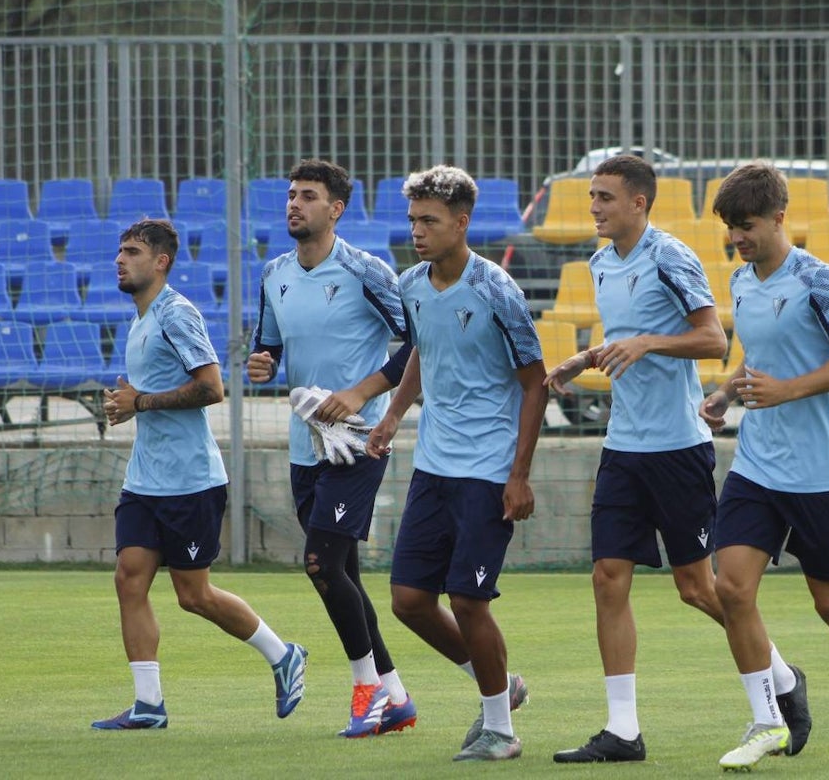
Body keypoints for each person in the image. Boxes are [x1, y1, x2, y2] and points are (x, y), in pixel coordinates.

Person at [543, 155, 811, 764]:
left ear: (639, 203)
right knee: (607, 579)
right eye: (592, 196)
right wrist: (586, 358)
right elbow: (630, 333)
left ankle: (784, 677)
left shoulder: (671, 256)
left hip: (677, 449)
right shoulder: (599, 262)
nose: (594, 207)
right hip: (623, 449)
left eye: (605, 197)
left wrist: (646, 343)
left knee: (697, 587)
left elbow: (713, 340)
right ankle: (623, 731)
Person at [699, 162, 829, 771]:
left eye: (748, 225)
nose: (739, 236)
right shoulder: (740, 280)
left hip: (819, 476)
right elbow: (758, 358)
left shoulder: (820, 280)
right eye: (732, 226)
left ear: (779, 218)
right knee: (730, 588)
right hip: (757, 467)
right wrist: (726, 393)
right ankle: (767, 721)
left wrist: (787, 391)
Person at [93, 218, 306, 729]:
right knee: (129, 580)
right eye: (119, 251)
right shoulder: (141, 319)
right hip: (144, 479)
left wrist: (139, 401)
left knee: (195, 596)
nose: (120, 260)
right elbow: (149, 394)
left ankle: (283, 655)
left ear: (161, 261)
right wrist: (127, 405)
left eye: (132, 252)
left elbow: (213, 389)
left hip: (190, 481)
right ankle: (148, 705)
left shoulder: (176, 314)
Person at [365, 164, 547, 762]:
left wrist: (518, 475)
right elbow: (422, 347)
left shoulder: (497, 290)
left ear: (461, 223)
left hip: (488, 469)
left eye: (429, 220)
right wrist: (393, 416)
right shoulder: (412, 283)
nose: (417, 230)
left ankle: (501, 729)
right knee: (410, 600)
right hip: (434, 466)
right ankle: (501, 685)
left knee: (469, 600)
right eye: (413, 219)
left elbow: (534, 383)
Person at [246, 159, 416, 738]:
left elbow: (418, 345)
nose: (294, 204)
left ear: (335, 209)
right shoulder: (273, 273)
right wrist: (261, 365)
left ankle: (366, 689)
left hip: (358, 443)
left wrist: (361, 394)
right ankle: (396, 697)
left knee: (320, 564)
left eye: (308, 196)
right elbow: (265, 350)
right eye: (291, 195)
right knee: (339, 572)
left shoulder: (367, 271)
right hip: (305, 446)